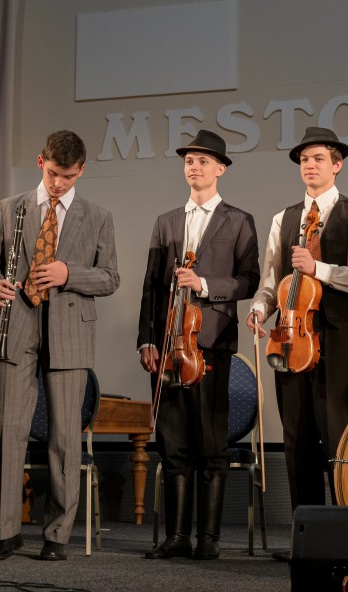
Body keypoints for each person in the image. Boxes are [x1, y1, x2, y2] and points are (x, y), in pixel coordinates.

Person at [0, 130, 119, 561]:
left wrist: (67, 273)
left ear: (82, 171)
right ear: (42, 162)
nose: (59, 184)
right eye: (54, 173)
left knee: (63, 437)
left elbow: (110, 278)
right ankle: (5, 532)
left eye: (69, 176)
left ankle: (57, 535)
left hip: (70, 331)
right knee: (8, 430)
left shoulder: (98, 217)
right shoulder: (11, 208)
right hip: (17, 326)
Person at [247, 127, 348, 559]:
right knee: (297, 437)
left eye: (319, 158)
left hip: (335, 334)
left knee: (336, 433)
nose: (310, 165)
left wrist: (319, 269)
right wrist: (259, 309)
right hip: (290, 335)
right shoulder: (283, 219)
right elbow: (271, 281)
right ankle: (307, 536)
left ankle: (344, 537)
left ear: (337, 164)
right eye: (304, 159)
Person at [138, 130, 261, 560]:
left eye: (203, 161)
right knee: (173, 443)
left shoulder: (239, 220)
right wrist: (147, 339)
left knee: (210, 442)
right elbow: (151, 287)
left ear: (220, 169)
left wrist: (204, 284)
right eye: (189, 161)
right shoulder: (167, 221)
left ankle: (208, 539)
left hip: (211, 343)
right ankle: (177, 537)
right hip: (170, 345)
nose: (194, 167)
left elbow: (250, 281)